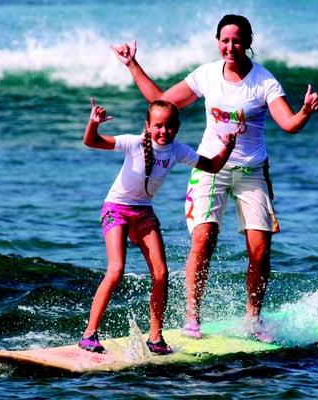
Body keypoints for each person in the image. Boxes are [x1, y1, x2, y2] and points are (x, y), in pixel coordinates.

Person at [112, 14, 318, 342]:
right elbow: (160, 101)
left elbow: (288, 123)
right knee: (204, 238)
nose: (230, 46)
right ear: (218, 42)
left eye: (236, 40)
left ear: (248, 42)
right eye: (224, 40)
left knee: (259, 249)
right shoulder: (206, 75)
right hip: (209, 166)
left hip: (251, 172)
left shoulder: (264, 82)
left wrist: (305, 111)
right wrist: (132, 64)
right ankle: (192, 317)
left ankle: (253, 318)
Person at [78, 98, 236, 354]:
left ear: (177, 127)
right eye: (159, 126)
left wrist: (228, 147)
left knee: (161, 274)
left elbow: (213, 165)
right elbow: (91, 141)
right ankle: (89, 334)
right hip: (116, 209)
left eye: (170, 126)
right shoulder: (134, 143)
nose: (164, 132)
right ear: (148, 126)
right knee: (116, 269)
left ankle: (155, 337)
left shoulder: (178, 151)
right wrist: (93, 124)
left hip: (143, 213)